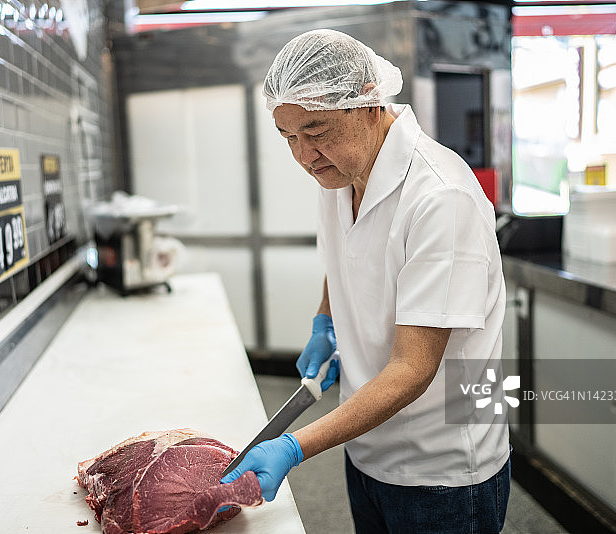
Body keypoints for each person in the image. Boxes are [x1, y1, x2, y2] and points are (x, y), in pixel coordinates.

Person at [221, 29, 511, 534]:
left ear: (371, 106)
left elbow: (413, 371)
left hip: (441, 471)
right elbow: (346, 253)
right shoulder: (341, 171)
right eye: (288, 136)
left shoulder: (441, 198)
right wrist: (325, 320)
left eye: (316, 130)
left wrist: (295, 446)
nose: (304, 155)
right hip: (366, 446)